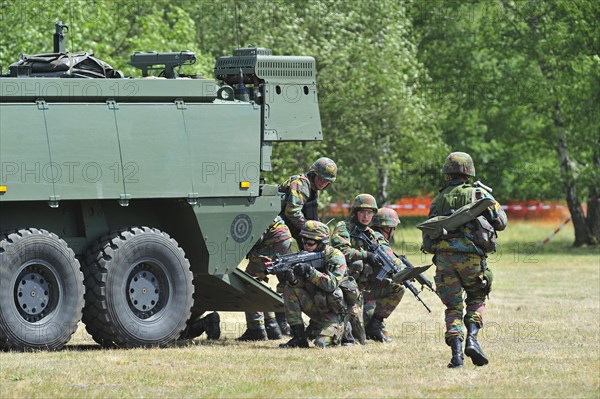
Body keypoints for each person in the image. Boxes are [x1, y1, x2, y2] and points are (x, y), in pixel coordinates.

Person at [424, 151, 507, 368]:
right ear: (469, 171)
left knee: (453, 307)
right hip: (471, 259)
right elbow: (501, 222)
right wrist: (493, 200)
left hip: (444, 260)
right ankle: (472, 340)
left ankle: (457, 357)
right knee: (476, 299)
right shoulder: (478, 194)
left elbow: (428, 237)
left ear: (447, 173)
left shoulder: (438, 199)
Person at [330, 194, 405, 343]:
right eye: (362, 212)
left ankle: (375, 325)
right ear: (355, 212)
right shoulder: (344, 228)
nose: (366, 216)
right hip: (347, 288)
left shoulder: (373, 235)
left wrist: (400, 266)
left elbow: (388, 253)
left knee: (398, 288)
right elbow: (340, 251)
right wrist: (366, 255)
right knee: (359, 339)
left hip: (367, 287)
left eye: (369, 213)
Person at [278, 220, 348, 348]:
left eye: (310, 243)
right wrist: (293, 280)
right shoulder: (305, 255)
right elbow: (300, 287)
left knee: (320, 344)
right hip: (317, 309)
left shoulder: (336, 257)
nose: (306, 246)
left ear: (322, 243)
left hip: (336, 313)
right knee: (289, 290)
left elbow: (331, 284)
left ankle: (345, 332)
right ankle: (299, 338)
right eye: (304, 241)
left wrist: (310, 271)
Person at [238, 216, 292, 341]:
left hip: (273, 241)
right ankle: (272, 327)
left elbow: (256, 236)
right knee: (257, 281)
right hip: (283, 238)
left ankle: (256, 328)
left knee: (250, 282)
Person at [279, 157, 337, 249]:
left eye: (326, 181)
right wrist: (311, 229)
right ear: (313, 174)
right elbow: (292, 212)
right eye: (320, 179)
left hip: (292, 227)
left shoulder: (312, 188)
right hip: (279, 227)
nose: (322, 183)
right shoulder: (301, 184)